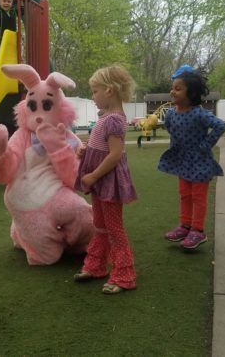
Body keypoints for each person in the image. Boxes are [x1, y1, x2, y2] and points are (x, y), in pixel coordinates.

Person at [73, 65, 138, 295]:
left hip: (107, 181)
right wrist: (85, 151)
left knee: (114, 228)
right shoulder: (106, 118)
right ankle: (96, 265)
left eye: (94, 91)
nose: (93, 97)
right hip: (101, 182)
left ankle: (124, 274)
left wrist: (92, 175)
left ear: (109, 90)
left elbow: (115, 154)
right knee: (99, 226)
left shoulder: (114, 121)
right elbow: (100, 146)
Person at [158, 65, 225, 249]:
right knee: (184, 195)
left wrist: (205, 145)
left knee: (198, 197)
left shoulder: (199, 113)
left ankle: (198, 230)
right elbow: (170, 128)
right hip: (183, 161)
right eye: (172, 88)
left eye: (178, 89)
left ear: (192, 93)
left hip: (200, 162)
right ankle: (185, 226)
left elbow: (220, 126)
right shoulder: (171, 114)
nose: (173, 92)